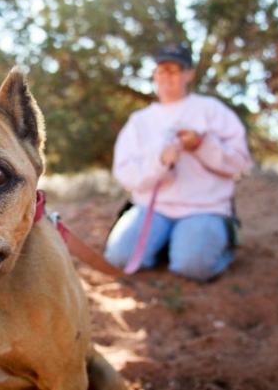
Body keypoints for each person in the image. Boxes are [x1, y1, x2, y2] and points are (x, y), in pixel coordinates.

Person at [104, 42, 252, 281]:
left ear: (188, 74)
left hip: (204, 208)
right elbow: (125, 174)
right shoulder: (139, 121)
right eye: (162, 70)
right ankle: (172, 243)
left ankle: (215, 243)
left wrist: (202, 146)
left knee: (193, 267)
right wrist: (160, 161)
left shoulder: (212, 110)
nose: (167, 77)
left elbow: (241, 163)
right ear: (154, 74)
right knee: (120, 258)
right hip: (152, 208)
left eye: (174, 70)